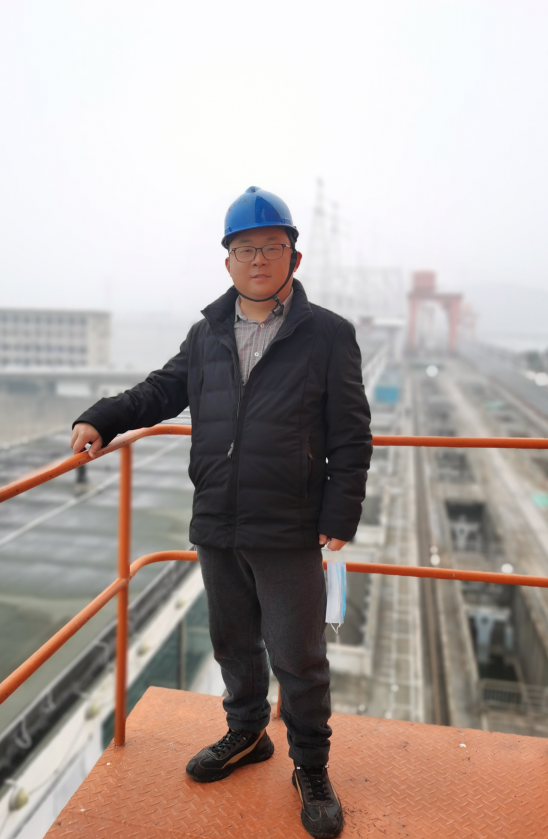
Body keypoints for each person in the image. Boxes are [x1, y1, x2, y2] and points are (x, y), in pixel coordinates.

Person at [70, 186, 373, 839]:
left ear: (294, 255)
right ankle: (246, 733)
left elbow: (352, 435)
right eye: (245, 248)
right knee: (232, 641)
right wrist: (102, 418)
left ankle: (311, 767)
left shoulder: (327, 335)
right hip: (217, 516)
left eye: (271, 246)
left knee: (299, 656)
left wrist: (339, 515)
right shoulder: (206, 332)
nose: (258, 258)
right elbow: (161, 390)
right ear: (228, 259)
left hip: (288, 523)